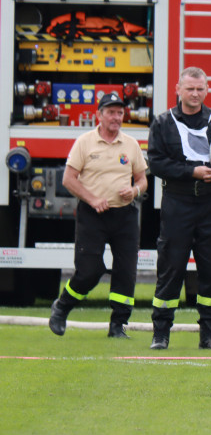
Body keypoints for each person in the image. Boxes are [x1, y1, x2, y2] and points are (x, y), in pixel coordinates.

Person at [146, 67, 211, 350]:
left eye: (200, 89)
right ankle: (161, 333)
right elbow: (156, 163)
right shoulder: (163, 123)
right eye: (189, 88)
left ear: (207, 90)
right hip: (177, 201)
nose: (195, 94)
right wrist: (194, 172)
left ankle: (210, 334)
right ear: (178, 88)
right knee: (171, 265)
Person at [48, 93, 148, 338]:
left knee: (126, 271)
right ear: (99, 115)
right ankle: (62, 307)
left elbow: (142, 179)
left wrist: (134, 190)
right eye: (111, 112)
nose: (116, 117)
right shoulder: (85, 142)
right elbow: (68, 179)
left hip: (124, 215)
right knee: (90, 270)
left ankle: (117, 326)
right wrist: (92, 199)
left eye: (120, 113)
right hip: (93, 215)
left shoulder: (131, 144)